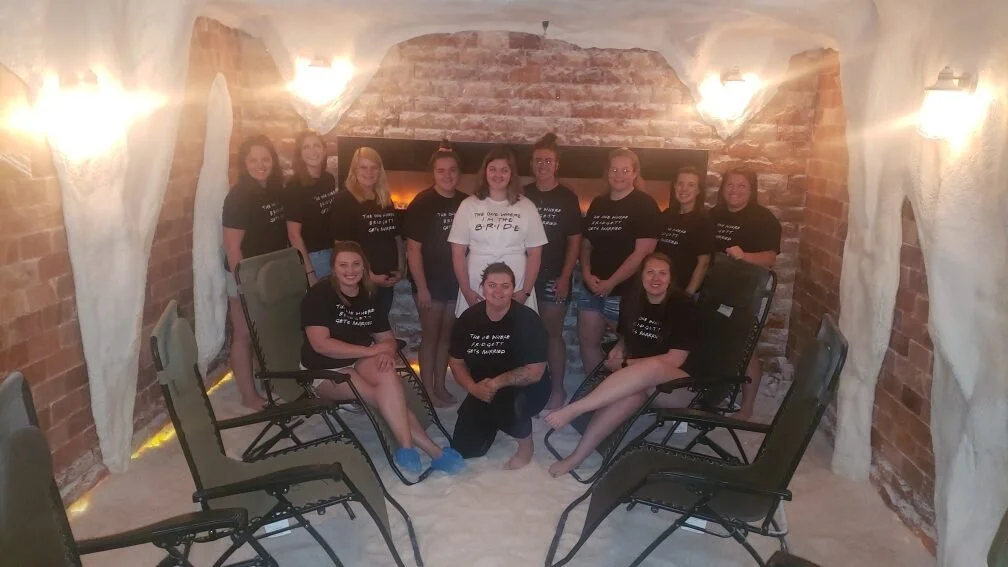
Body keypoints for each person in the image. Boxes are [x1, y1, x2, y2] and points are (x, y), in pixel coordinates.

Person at [300, 241, 464, 475]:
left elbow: (386, 338)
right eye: (343, 265)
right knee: (382, 397)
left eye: (356, 264)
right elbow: (321, 345)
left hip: (358, 359)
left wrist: (385, 350)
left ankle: (407, 448)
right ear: (333, 268)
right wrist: (373, 351)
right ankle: (434, 451)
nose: (350, 270)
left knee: (388, 375)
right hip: (324, 369)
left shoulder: (368, 293)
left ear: (364, 267)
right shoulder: (319, 295)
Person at [546, 253, 700, 477]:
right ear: (641, 277)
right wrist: (621, 345)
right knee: (630, 394)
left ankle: (578, 407)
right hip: (642, 382)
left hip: (682, 387)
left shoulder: (684, 308)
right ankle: (577, 457)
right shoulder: (633, 300)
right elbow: (629, 336)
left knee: (652, 368)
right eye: (650, 272)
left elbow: (674, 359)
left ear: (670, 278)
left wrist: (626, 363)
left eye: (662, 273)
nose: (656, 278)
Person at [448, 263, 551, 469]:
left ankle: (525, 445)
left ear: (513, 288)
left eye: (505, 286)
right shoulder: (468, 319)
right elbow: (456, 362)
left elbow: (535, 372)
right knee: (465, 449)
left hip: (527, 388)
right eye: (492, 285)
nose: (498, 292)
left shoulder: (528, 319)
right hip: (483, 387)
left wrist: (497, 383)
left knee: (506, 402)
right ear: (482, 287)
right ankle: (494, 419)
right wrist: (473, 388)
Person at [578, 147, 660, 379]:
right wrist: (585, 272)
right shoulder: (598, 203)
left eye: (625, 170)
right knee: (587, 341)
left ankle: (620, 397)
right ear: (607, 172)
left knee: (629, 348)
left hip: (624, 291)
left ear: (634, 173)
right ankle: (593, 392)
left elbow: (643, 252)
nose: (619, 174)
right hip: (591, 288)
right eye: (614, 169)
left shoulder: (645, 205)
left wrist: (611, 283)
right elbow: (586, 244)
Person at [708, 169, 782, 420]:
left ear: (751, 191)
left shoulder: (763, 219)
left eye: (741, 186)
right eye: (730, 185)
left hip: (749, 291)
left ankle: (747, 406)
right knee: (715, 341)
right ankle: (713, 393)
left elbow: (770, 258)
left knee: (745, 345)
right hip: (716, 288)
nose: (734, 190)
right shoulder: (713, 215)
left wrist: (745, 256)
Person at [222, 135, 288, 410]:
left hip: (268, 275)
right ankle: (249, 396)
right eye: (253, 160)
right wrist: (243, 285)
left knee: (266, 331)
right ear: (244, 164)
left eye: (265, 159)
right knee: (244, 334)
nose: (260, 165)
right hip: (245, 275)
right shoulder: (238, 197)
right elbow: (232, 248)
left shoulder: (274, 190)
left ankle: (270, 382)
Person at [448, 146, 547, 318]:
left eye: (504, 170)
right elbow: (458, 252)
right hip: (476, 282)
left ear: (511, 174)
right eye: (492, 169)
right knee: (476, 336)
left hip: (516, 281)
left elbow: (535, 253)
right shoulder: (468, 205)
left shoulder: (526, 206)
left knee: (515, 337)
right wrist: (466, 291)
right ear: (485, 172)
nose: (498, 175)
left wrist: (526, 292)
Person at [404, 141, 468, 407]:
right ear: (433, 173)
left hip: (454, 282)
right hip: (429, 281)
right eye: (441, 171)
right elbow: (413, 250)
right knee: (430, 336)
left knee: (446, 338)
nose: (447, 176)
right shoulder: (422, 202)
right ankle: (427, 390)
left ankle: (440, 385)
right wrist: (422, 288)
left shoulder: (466, 202)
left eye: (452, 170)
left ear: (458, 172)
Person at [523, 133, 583, 411]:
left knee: (552, 334)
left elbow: (574, 241)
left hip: (554, 275)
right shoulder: (523, 193)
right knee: (526, 332)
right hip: (524, 276)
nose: (543, 165)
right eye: (538, 160)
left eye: (548, 160)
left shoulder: (567, 197)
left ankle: (557, 390)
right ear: (532, 164)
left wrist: (565, 276)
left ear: (556, 164)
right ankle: (530, 387)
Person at [332, 147, 404, 325]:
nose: (369, 172)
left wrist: (401, 268)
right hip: (361, 282)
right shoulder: (344, 200)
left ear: (380, 171)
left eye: (374, 167)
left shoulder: (384, 199)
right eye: (363, 167)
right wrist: (369, 276)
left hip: (387, 279)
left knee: (379, 325)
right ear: (354, 170)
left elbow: (395, 237)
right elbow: (342, 246)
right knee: (362, 331)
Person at [285, 130, 337, 285]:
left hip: (332, 251)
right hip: (313, 256)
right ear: (299, 154)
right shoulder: (295, 187)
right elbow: (293, 235)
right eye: (306, 147)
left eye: (316, 146)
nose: (312, 151)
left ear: (324, 150)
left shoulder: (328, 179)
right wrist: (309, 271)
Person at [655, 166, 714, 296]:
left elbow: (703, 263)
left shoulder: (704, 220)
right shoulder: (667, 214)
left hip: (683, 291)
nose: (684, 189)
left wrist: (687, 295)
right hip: (661, 288)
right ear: (675, 186)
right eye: (680, 183)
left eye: (691, 185)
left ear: (698, 190)